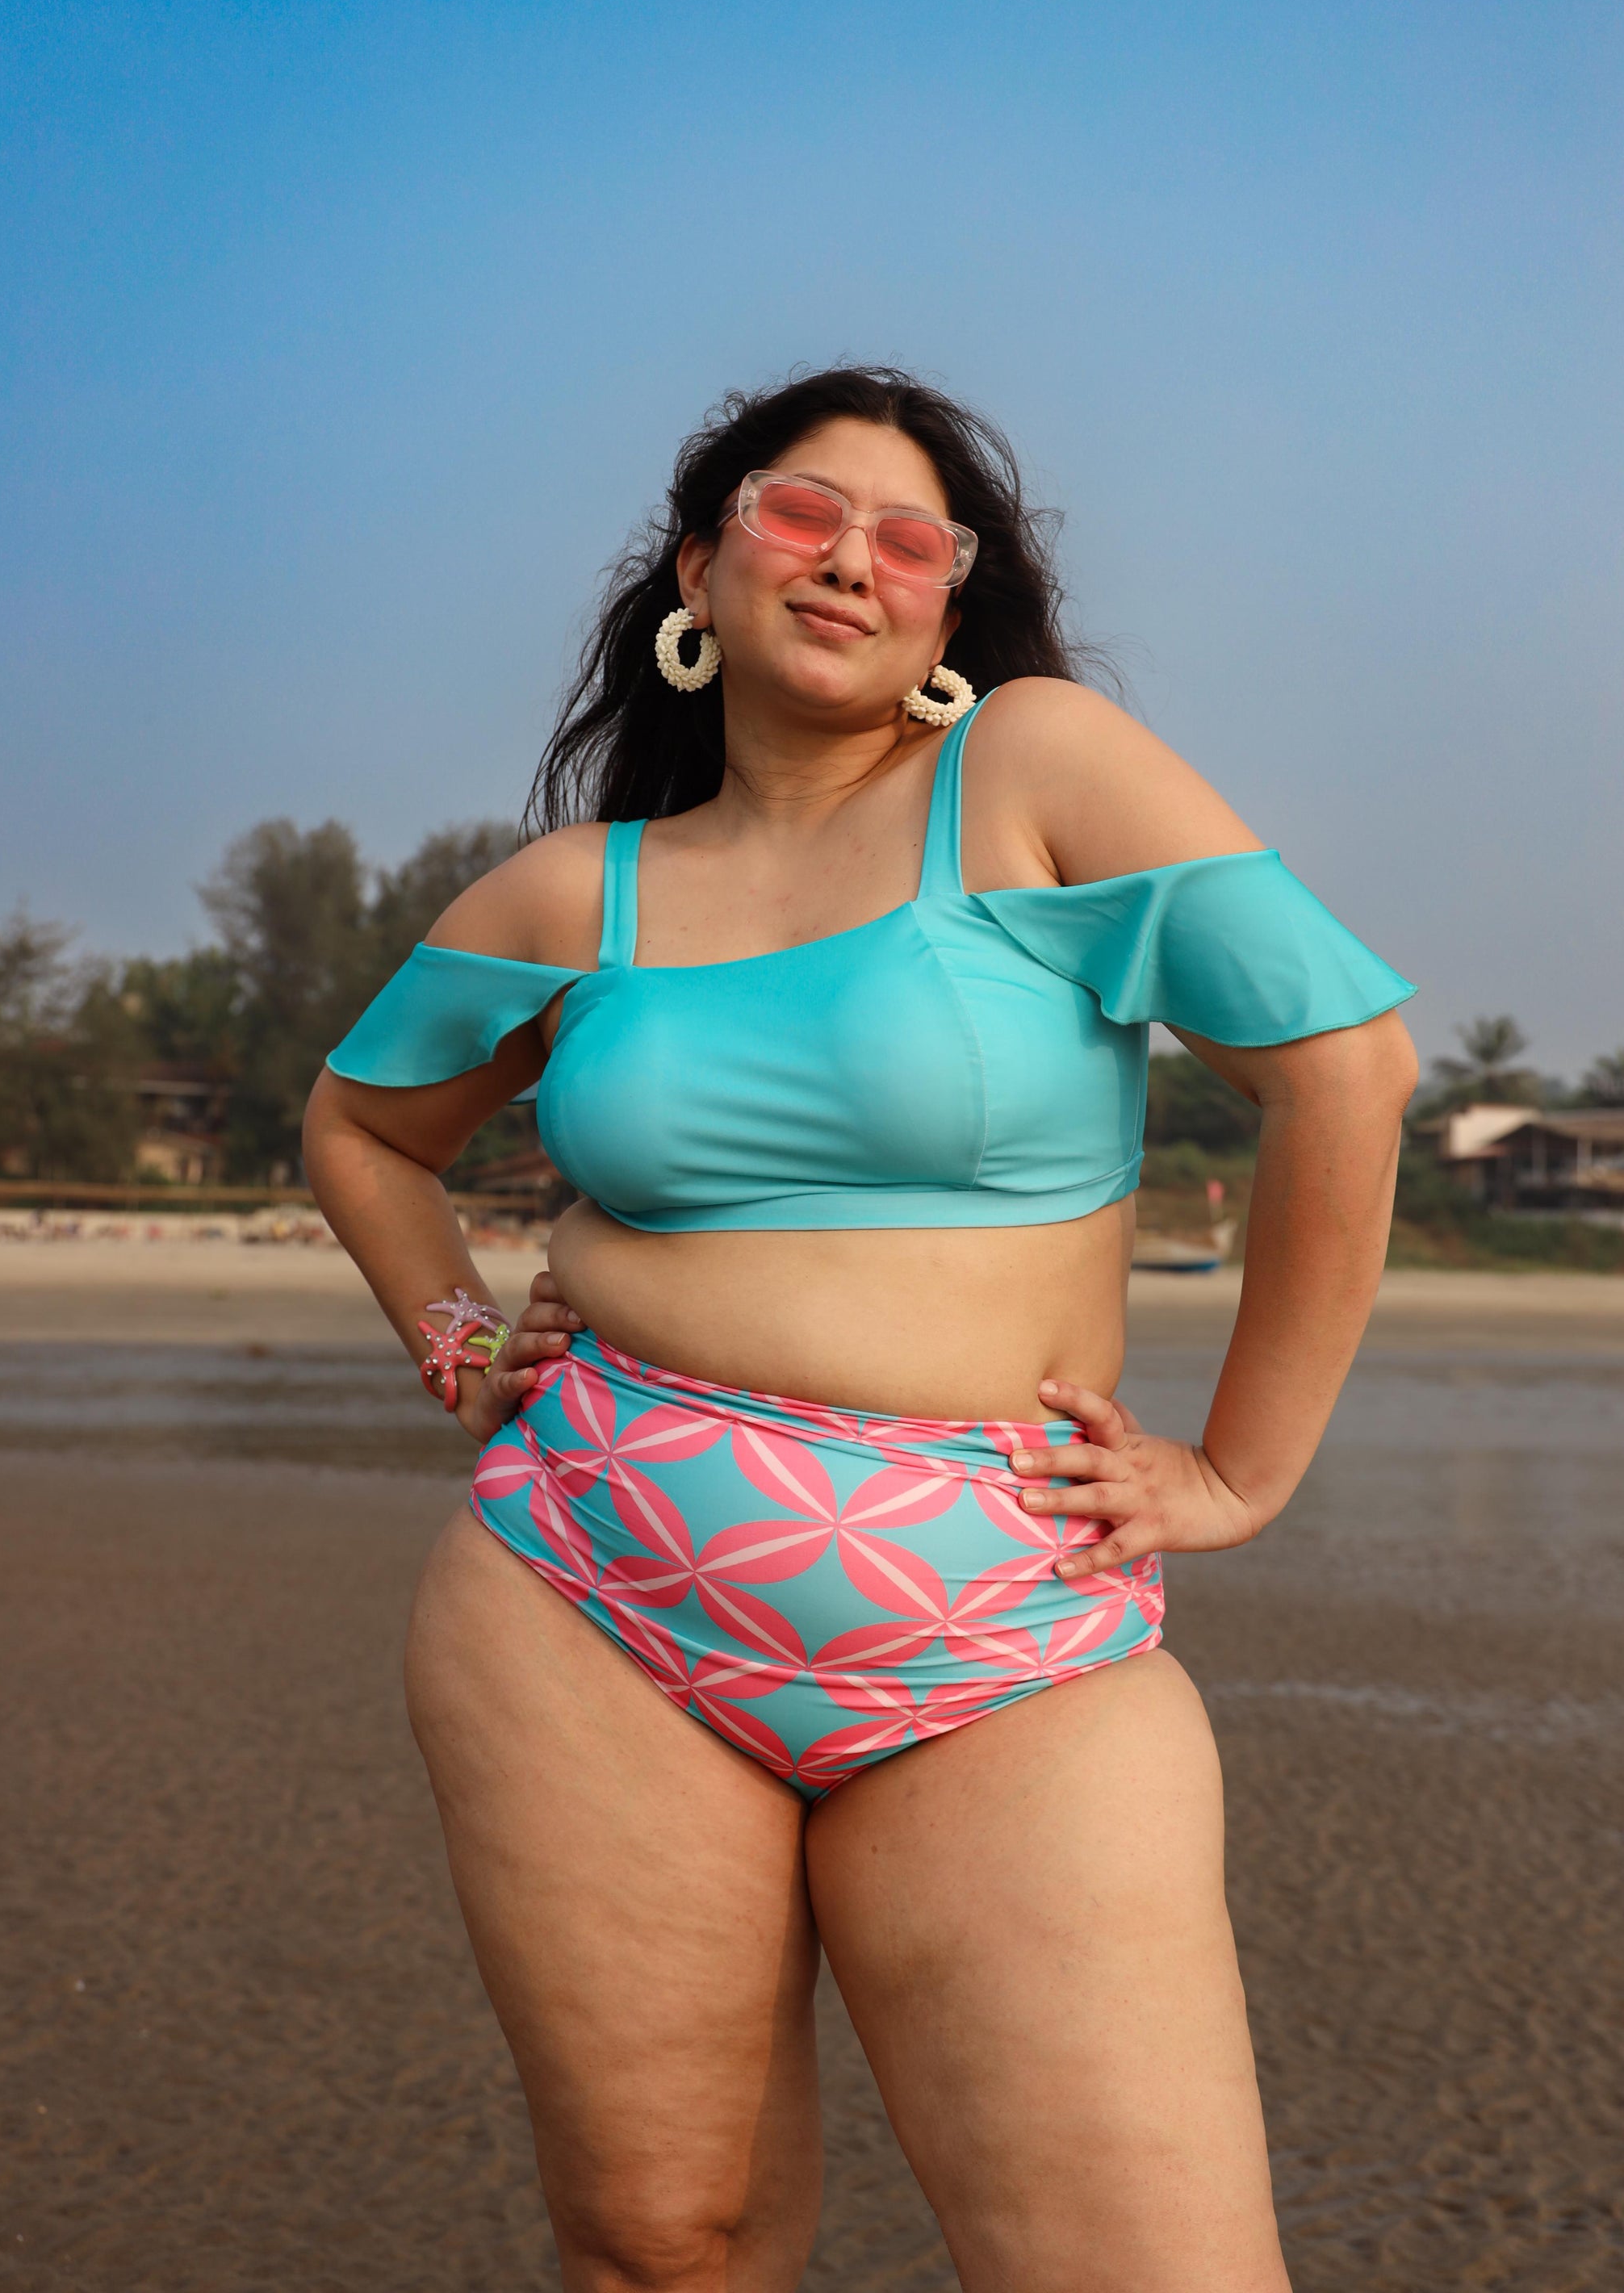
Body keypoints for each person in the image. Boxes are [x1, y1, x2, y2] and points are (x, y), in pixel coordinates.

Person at [303, 366, 1417, 2293]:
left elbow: (1349, 1070)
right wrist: (456, 1348)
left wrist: (1238, 1469)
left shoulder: (1037, 773)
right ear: (700, 568)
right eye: (798, 514)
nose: (851, 564)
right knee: (668, 2242)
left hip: (1001, 1623)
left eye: (909, 540)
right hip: (584, 1589)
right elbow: (362, 1124)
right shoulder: (585, 893)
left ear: (949, 604)